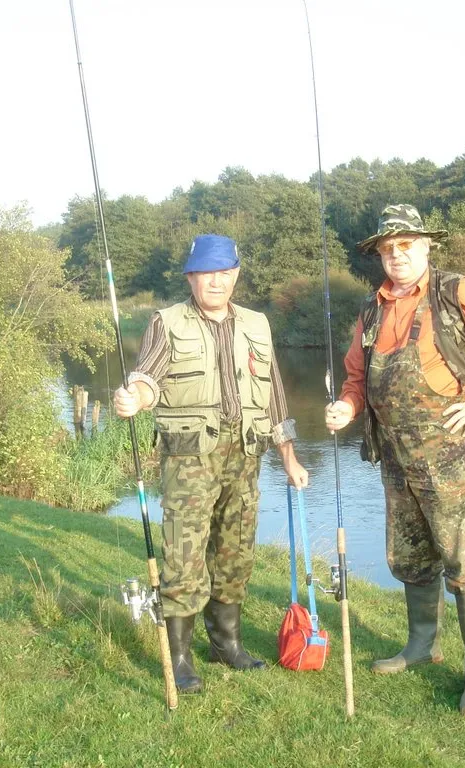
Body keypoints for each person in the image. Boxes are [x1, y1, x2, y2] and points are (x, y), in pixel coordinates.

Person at [324, 204, 465, 716]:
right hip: (394, 453)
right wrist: (346, 406)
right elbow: (357, 377)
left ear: (426, 246)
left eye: (406, 246)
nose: (397, 256)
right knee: (411, 553)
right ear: (378, 254)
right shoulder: (371, 310)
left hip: (447, 450)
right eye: (388, 249)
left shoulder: (456, 292)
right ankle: (422, 645)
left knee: (463, 556)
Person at [114, 233, 309, 694]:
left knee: (236, 551)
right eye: (207, 273)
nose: (216, 281)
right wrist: (134, 398)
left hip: (246, 454)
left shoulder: (258, 324)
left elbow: (276, 393)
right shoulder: (167, 322)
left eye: (225, 272)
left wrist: (290, 456)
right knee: (184, 554)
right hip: (190, 458)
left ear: (236, 275)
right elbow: (148, 376)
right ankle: (180, 658)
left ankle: (227, 644)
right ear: (191, 277)